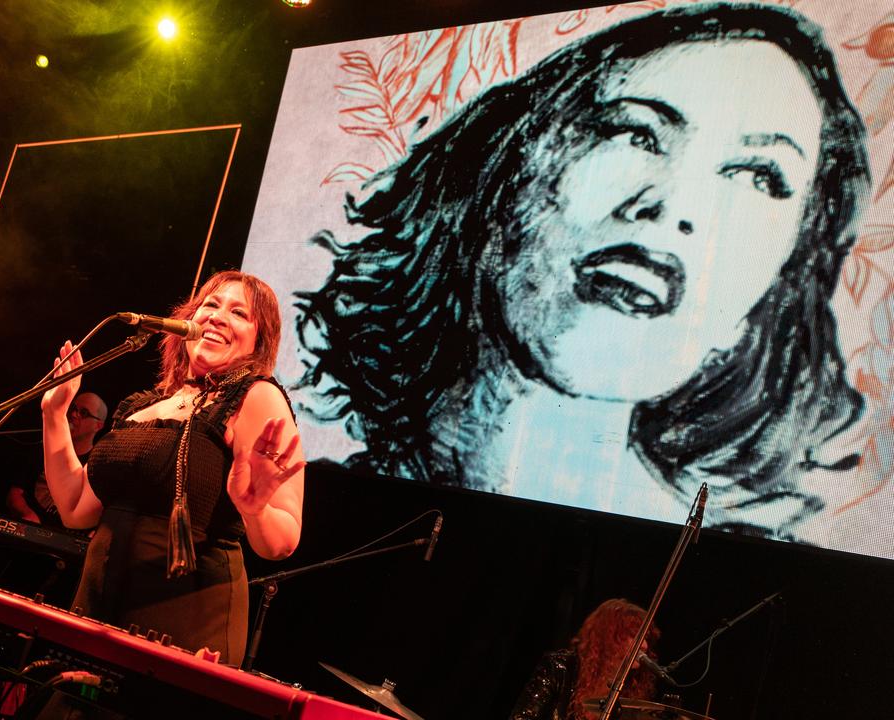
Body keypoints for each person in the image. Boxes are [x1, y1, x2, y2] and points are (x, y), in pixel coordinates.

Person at [295, 4, 869, 539]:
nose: (676, 205)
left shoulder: (707, 566)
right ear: (501, 177)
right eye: (636, 133)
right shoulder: (316, 501)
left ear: (772, 290)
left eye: (756, 175)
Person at [40, 270, 305, 663]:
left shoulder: (256, 396)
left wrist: (255, 509)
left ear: (258, 340)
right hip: (99, 609)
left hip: (187, 623)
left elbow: (282, 540)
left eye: (238, 312)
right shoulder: (141, 406)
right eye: (210, 305)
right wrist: (54, 413)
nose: (216, 316)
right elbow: (75, 508)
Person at [510, 599, 660, 720]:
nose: (645, 645)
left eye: (646, 638)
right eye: (635, 636)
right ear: (609, 638)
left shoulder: (633, 689)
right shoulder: (562, 668)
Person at [5, 391, 107, 523]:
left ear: (98, 426)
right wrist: (27, 514)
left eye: (84, 413)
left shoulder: (96, 466)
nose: (74, 414)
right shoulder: (44, 448)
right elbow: (15, 495)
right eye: (74, 408)